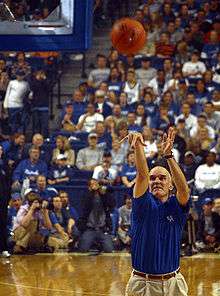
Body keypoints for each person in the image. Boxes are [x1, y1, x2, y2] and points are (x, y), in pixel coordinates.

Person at [121, 128, 190, 296]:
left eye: (162, 178)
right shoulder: (142, 203)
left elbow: (184, 190)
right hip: (142, 283)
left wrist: (169, 156)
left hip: (174, 283)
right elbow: (142, 175)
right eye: (153, 178)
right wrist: (137, 145)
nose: (156, 181)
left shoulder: (176, 205)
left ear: (170, 185)